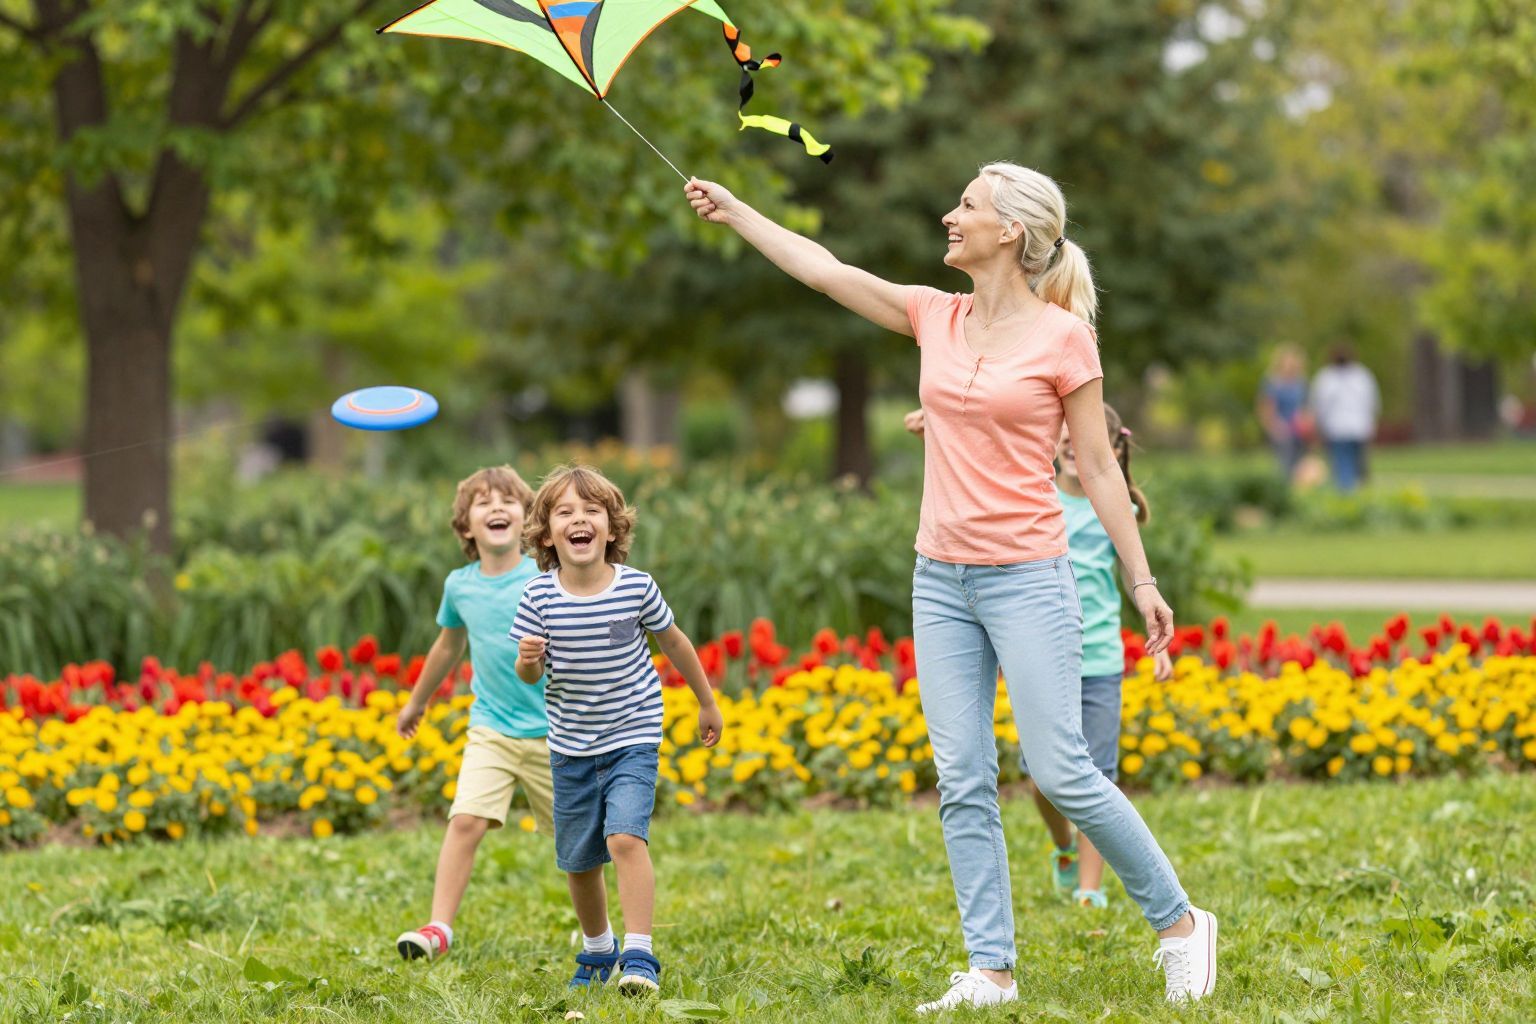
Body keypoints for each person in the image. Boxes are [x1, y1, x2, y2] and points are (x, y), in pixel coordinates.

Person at [687, 164, 1216, 1012]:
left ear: (1010, 231)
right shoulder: (935, 313)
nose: (950, 215)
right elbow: (824, 270)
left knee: (1062, 769)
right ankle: (991, 970)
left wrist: (1141, 579)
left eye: (966, 206)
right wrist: (737, 211)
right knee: (962, 777)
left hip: (1029, 578)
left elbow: (1097, 468)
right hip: (940, 580)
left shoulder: (1064, 339)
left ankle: (1181, 924)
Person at [907, 402, 1175, 910]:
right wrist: (937, 432)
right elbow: (981, 473)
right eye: (1064, 441)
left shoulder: (1113, 508)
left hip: (1101, 662)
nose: (1072, 449)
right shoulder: (1038, 500)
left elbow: (1131, 574)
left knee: (1096, 775)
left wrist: (1153, 636)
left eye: (1084, 443)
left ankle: (1090, 891)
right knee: (1043, 777)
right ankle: (1063, 846)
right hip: (1046, 655)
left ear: (1112, 451)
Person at [509, 465, 724, 995]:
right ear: (547, 535)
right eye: (565, 512)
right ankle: (599, 947)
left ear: (612, 528)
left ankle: (639, 955)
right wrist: (529, 660)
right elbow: (530, 675)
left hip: (633, 735)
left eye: (592, 511)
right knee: (579, 861)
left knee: (625, 837)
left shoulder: (636, 587)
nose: (579, 520)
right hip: (571, 747)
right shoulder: (538, 597)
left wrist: (706, 701)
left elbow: (674, 642)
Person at [394, 466, 554, 962]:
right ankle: (438, 927)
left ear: (526, 517)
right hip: (492, 727)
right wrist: (417, 701)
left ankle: (602, 935)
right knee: (465, 820)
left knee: (579, 844)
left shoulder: (546, 578)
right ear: (466, 525)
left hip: (557, 732)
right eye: (483, 503)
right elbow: (447, 646)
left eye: (508, 500)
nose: (497, 508)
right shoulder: (459, 586)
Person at [1310, 346, 1379, 492]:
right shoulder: (1361, 376)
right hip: (1353, 427)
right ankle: (1351, 491)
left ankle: (1347, 491)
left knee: (1345, 463)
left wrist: (1320, 425)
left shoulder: (1327, 377)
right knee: (1352, 463)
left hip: (1342, 428)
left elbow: (1320, 405)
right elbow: (1372, 402)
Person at [1257, 344, 1309, 482]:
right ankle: (1282, 485)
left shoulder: (1301, 382)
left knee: (1298, 463)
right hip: (1280, 427)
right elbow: (1266, 407)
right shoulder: (1272, 382)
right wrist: (1274, 425)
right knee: (1283, 462)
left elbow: (1304, 405)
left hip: (1298, 429)